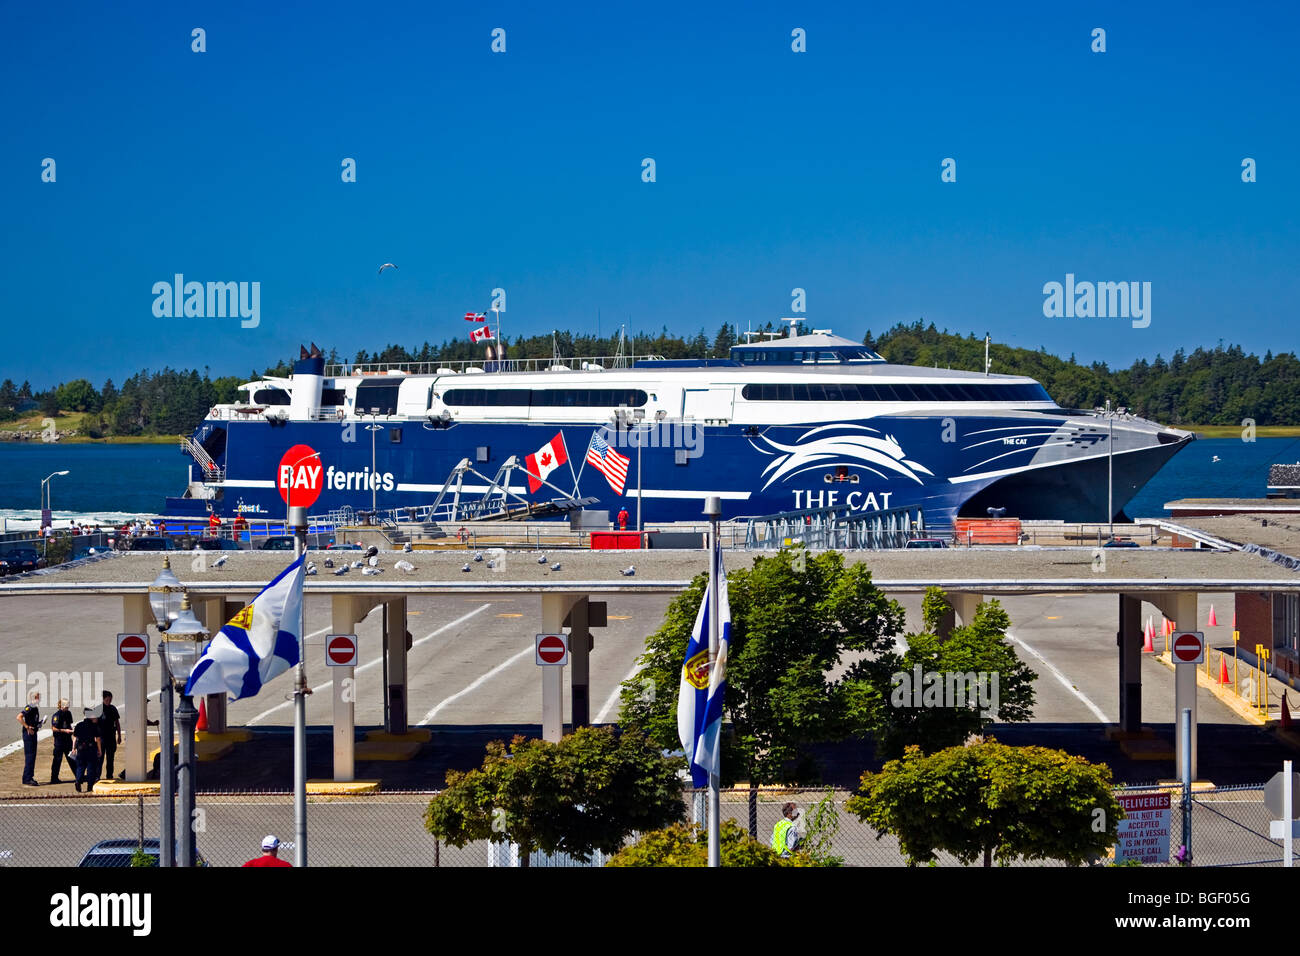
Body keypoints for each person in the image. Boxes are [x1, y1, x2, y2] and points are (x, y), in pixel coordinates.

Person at [72, 706, 102, 792]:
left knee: (80, 767)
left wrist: (73, 748)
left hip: (81, 749)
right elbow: (98, 739)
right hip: (91, 748)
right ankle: (90, 785)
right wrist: (99, 750)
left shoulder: (79, 725)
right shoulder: (94, 726)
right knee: (91, 768)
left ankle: (78, 780)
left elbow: (75, 738)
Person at [16, 691, 41, 786]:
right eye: (37, 698)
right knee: (30, 756)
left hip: (33, 733)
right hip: (28, 734)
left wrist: (39, 724)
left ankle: (29, 776)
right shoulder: (29, 707)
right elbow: (19, 717)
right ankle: (27, 778)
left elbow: (33, 720)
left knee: (32, 756)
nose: (39, 699)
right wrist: (27, 727)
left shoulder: (35, 708)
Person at [49, 697, 75, 784]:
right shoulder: (57, 715)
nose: (68, 708)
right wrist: (64, 730)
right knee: (57, 760)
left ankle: (79, 775)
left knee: (72, 758)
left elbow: (69, 724)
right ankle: (54, 778)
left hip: (67, 740)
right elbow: (54, 728)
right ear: (62, 706)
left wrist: (72, 731)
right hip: (59, 741)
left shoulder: (68, 713)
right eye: (66, 707)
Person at [99, 690, 122, 779]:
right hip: (101, 738)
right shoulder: (98, 709)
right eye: (107, 699)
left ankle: (109, 776)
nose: (109, 701)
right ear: (103, 699)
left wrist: (119, 736)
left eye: (110, 699)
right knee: (99, 759)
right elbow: (93, 723)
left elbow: (117, 723)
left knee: (110, 758)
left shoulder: (113, 709)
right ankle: (97, 776)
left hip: (111, 737)